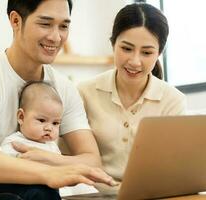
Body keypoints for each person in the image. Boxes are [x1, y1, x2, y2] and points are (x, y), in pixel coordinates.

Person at [0, 0, 114, 200]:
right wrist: (46, 173)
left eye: (64, 26)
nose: (56, 37)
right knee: (37, 190)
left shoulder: (63, 88)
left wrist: (46, 159)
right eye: (45, 24)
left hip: (35, 191)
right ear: (15, 21)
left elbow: (91, 162)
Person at [78, 2, 187, 182]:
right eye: (126, 49)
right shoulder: (84, 92)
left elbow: (175, 164)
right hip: (94, 193)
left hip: (151, 192)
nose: (135, 61)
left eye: (146, 53)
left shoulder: (173, 101)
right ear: (113, 44)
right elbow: (70, 156)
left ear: (159, 53)